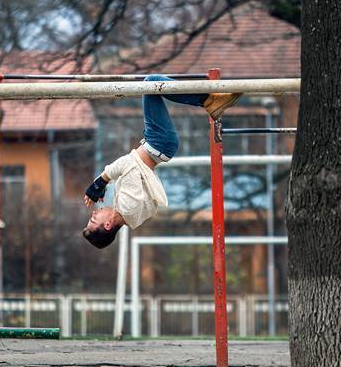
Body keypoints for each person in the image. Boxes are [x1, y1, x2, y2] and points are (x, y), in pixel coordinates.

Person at [82, 75, 241, 249]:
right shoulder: (127, 208)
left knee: (153, 86)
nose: (95, 212)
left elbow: (132, 169)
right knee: (151, 83)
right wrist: (101, 181)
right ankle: (210, 101)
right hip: (158, 142)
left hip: (157, 145)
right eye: (93, 219)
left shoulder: (129, 216)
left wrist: (104, 183)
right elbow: (127, 164)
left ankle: (210, 100)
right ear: (107, 225)